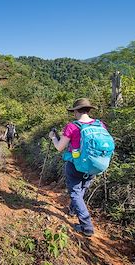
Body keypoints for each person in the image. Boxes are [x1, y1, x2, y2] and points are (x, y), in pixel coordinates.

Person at [48, 98, 106, 237]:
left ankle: (87, 227)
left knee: (75, 193)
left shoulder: (72, 126)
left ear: (75, 111)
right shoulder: (100, 124)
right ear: (89, 110)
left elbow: (59, 147)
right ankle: (73, 210)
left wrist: (53, 137)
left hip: (75, 165)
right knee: (82, 189)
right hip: (94, 165)